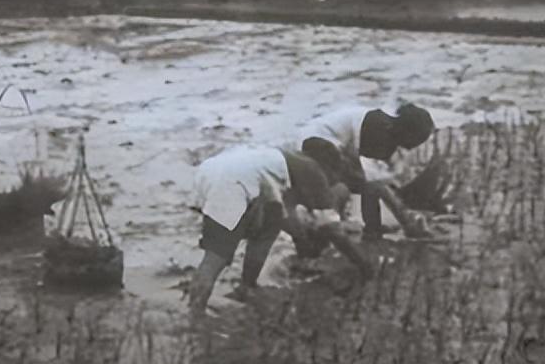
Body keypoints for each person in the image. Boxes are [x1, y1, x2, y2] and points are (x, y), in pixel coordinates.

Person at [186, 137, 371, 314]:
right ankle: (195, 316)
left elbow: (285, 216)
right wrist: (364, 265)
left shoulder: (285, 164)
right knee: (216, 258)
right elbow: (333, 230)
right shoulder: (313, 170)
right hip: (233, 184)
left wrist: (302, 243)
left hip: (210, 171)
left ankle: (247, 286)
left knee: (269, 224)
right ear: (330, 167)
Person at [298, 103, 443, 239]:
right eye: (418, 140)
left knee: (368, 183)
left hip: (328, 142)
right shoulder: (379, 131)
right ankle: (334, 227)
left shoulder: (387, 129)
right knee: (362, 184)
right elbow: (372, 179)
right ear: (408, 132)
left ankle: (373, 227)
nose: (414, 146)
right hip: (320, 141)